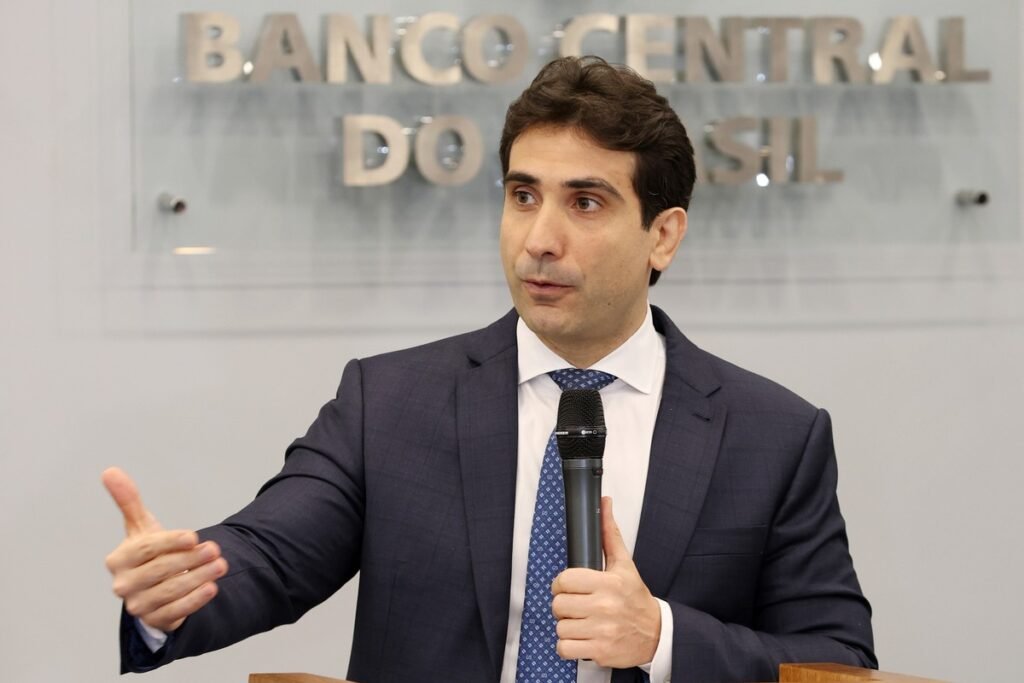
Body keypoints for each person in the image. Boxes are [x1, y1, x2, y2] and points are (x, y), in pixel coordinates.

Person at [104, 56, 875, 683]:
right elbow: (271, 554)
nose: (539, 239)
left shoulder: (772, 436)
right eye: (523, 195)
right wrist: (174, 590)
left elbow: (837, 661)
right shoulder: (388, 402)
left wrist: (662, 637)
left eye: (585, 203)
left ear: (663, 235)